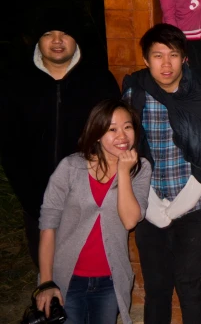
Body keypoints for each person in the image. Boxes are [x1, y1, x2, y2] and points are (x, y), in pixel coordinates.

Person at [122, 24, 201, 324]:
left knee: (190, 285)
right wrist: (151, 203)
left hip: (196, 203)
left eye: (173, 55)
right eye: (157, 56)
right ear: (146, 59)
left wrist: (181, 204)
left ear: (185, 59)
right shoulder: (134, 92)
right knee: (157, 289)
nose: (166, 64)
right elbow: (125, 148)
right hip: (148, 200)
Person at [0, 10, 119, 267]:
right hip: (37, 200)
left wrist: (100, 187)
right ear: (36, 40)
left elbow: (116, 137)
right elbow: (9, 145)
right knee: (49, 275)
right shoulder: (16, 82)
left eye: (65, 34)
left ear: (76, 40)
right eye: (48, 34)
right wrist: (31, 199)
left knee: (90, 271)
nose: (57, 40)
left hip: (90, 197)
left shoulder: (99, 80)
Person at [36, 99, 152, 324]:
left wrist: (123, 172)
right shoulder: (70, 167)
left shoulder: (140, 168)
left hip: (110, 281)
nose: (122, 136)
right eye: (112, 129)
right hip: (66, 280)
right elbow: (48, 226)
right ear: (97, 133)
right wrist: (47, 282)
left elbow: (130, 221)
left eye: (127, 127)